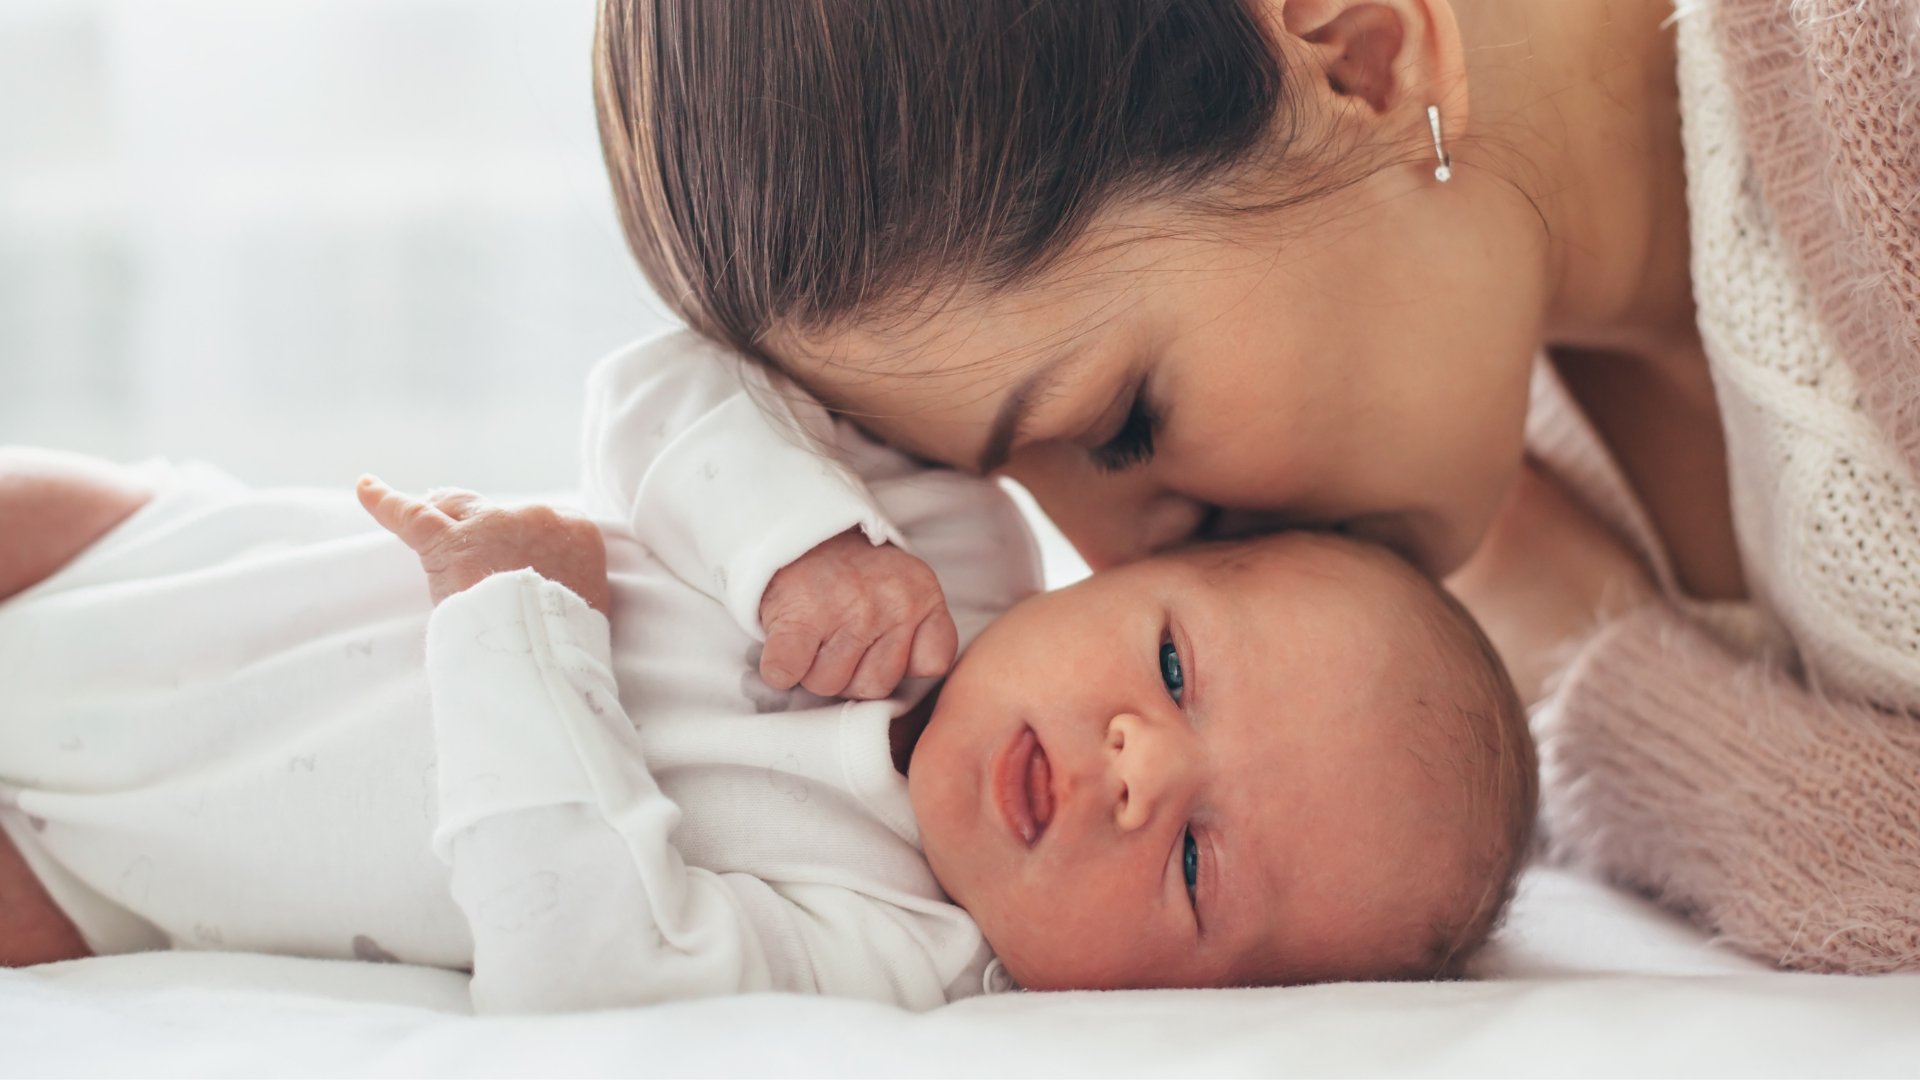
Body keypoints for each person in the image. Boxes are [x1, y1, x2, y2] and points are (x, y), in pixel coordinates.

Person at [592, 0, 1920, 970]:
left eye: (1121, 420)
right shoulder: (1452, 484)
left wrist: (1597, 678)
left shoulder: (1880, 87)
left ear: (1361, 48)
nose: (1115, 560)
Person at [0, 331, 1534, 1003]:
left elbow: (584, 965)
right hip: (163, 567)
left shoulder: (888, 955)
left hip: (108, 881)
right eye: (1182, 670)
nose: (1142, 768)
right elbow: (664, 382)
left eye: (1201, 867)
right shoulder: (942, 530)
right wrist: (799, 545)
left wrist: (516, 619)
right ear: (1125, 570)